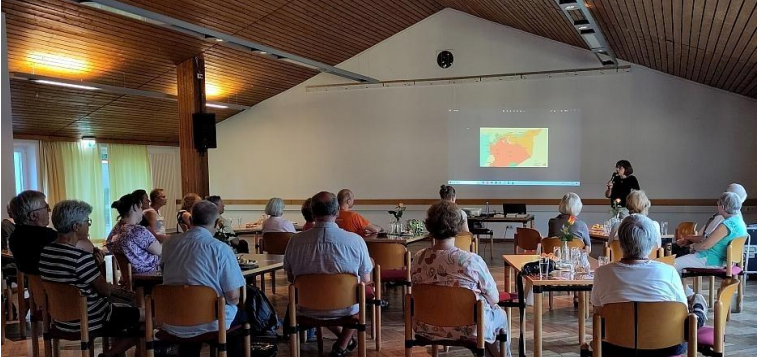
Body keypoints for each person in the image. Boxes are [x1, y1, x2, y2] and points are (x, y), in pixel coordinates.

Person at [39, 200, 142, 357]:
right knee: (147, 317)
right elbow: (105, 291)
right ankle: (109, 355)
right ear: (76, 226)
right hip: (91, 319)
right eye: (87, 221)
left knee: (125, 312)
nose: (89, 225)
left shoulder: (46, 252)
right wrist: (98, 268)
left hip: (60, 320)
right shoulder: (80, 258)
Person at [592, 215, 706, 356]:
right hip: (666, 346)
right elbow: (681, 311)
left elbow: (598, 311)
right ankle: (699, 311)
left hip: (616, 347)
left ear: (620, 242)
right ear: (653, 243)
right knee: (695, 301)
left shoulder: (602, 273)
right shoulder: (668, 271)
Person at [412, 200, 510, 357]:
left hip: (426, 325)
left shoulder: (418, 258)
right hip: (468, 327)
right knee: (501, 315)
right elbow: (494, 298)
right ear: (458, 227)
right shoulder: (470, 260)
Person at [284, 191, 373, 357]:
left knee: (324, 300)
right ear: (337, 211)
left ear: (313, 212)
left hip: (305, 306)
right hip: (344, 307)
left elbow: (290, 278)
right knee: (360, 295)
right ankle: (342, 344)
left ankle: (343, 342)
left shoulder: (294, 241)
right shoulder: (355, 241)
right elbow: (366, 280)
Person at [161, 201, 247, 357]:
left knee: (190, 317)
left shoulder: (169, 244)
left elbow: (163, 271)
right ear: (216, 223)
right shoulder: (220, 249)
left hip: (172, 318)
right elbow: (233, 297)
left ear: (191, 220)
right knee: (241, 317)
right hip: (210, 321)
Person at [675, 192, 747, 295]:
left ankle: (689, 295)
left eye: (718, 204)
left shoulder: (726, 225)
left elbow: (705, 245)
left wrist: (692, 246)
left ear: (722, 206)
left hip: (711, 259)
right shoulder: (740, 222)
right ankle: (687, 294)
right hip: (725, 260)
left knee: (670, 266)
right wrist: (690, 239)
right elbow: (707, 238)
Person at [677, 183, 747, 251]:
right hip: (707, 251)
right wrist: (689, 238)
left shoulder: (725, 220)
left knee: (672, 253)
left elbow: (705, 241)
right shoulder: (737, 220)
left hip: (705, 254)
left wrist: (690, 243)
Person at [107, 193, 161, 274]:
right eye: (140, 207)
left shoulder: (114, 233)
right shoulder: (138, 231)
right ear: (135, 207)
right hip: (150, 276)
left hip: (129, 277)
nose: (142, 211)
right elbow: (159, 251)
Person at [8, 190, 57, 275]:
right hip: (59, 287)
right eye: (46, 207)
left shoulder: (14, 237)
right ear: (33, 215)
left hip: (35, 287)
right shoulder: (50, 237)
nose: (49, 210)